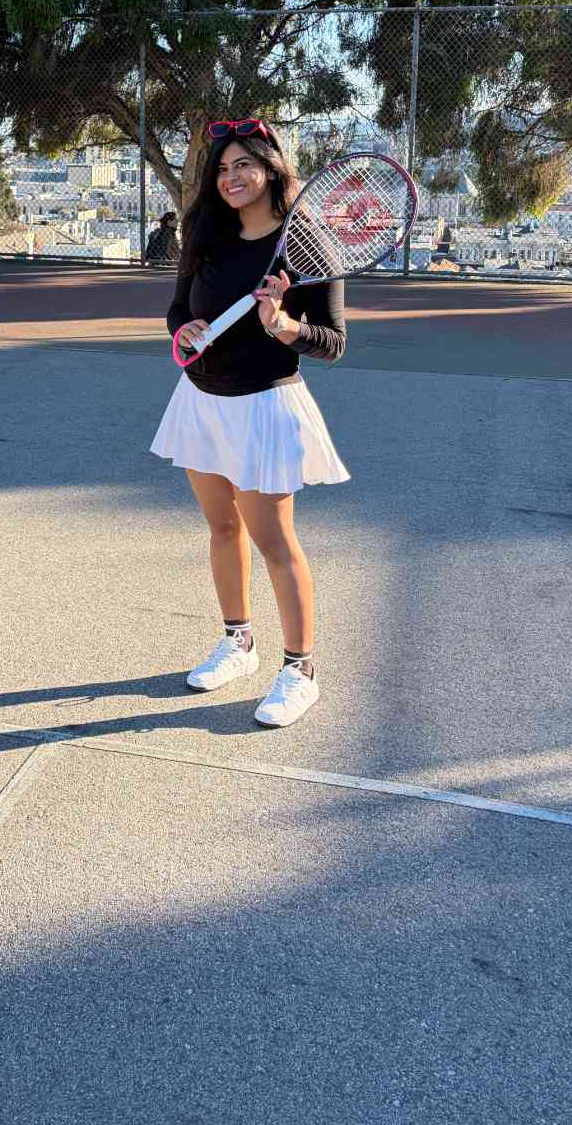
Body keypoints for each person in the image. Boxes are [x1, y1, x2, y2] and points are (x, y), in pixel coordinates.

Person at [150, 118, 349, 729]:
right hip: (202, 400)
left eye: (244, 165)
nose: (231, 177)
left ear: (271, 168)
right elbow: (178, 311)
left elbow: (333, 342)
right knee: (221, 528)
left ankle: (300, 670)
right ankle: (238, 642)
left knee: (275, 543)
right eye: (222, 167)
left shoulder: (307, 245)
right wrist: (184, 330)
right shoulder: (205, 233)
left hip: (264, 405)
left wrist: (282, 326)